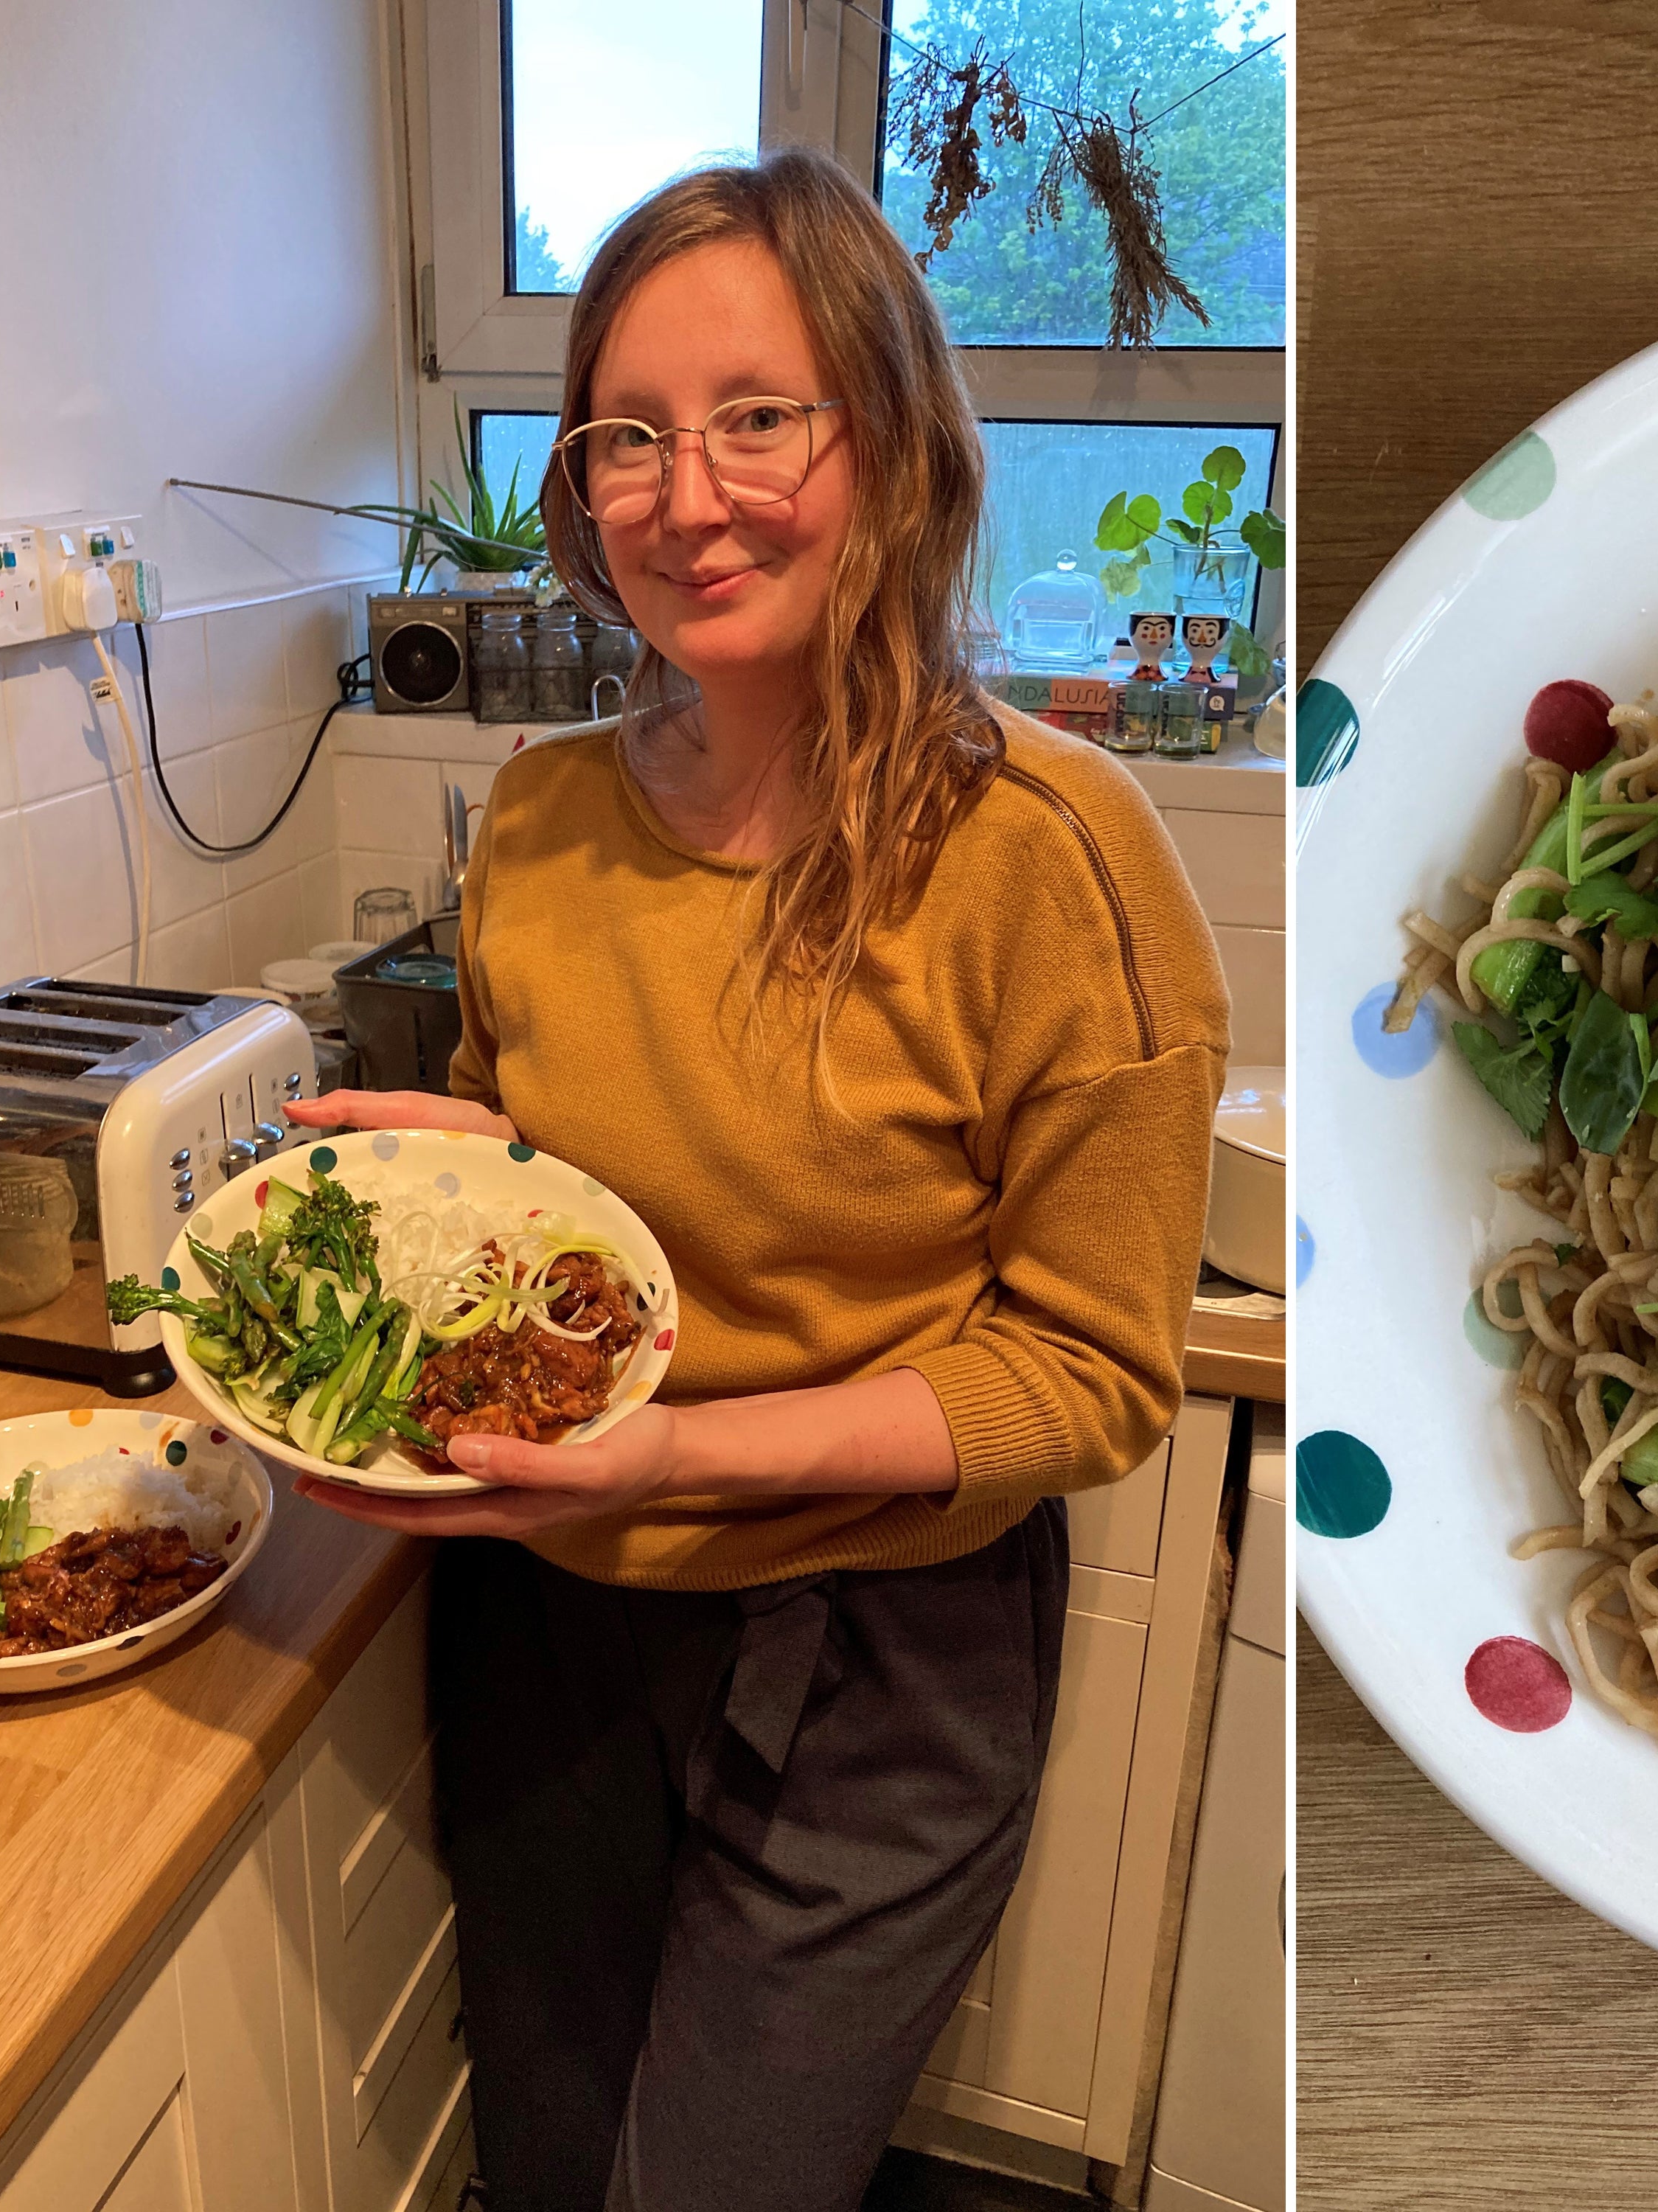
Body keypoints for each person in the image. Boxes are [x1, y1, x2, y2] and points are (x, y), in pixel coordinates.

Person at [287, 149, 1228, 2212]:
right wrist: (481, 1164)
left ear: (888, 446)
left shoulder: (1052, 860)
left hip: (880, 1651)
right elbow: (570, 1216)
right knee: (547, 2159)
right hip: (547, 1618)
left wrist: (666, 1463)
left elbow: (1087, 1380)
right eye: (625, 434)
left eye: (756, 418)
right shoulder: (537, 820)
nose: (684, 492)